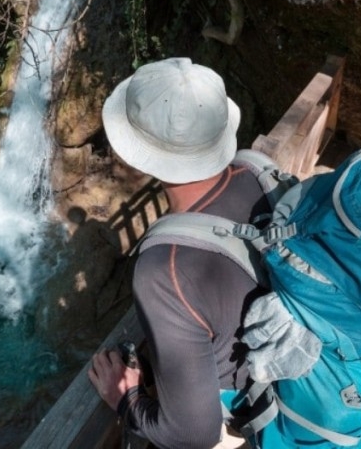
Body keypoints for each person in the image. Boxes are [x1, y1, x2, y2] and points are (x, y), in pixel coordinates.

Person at [88, 57, 270, 449]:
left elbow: (192, 434)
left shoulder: (164, 269)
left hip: (249, 416)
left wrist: (126, 398)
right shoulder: (258, 172)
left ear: (138, 151)